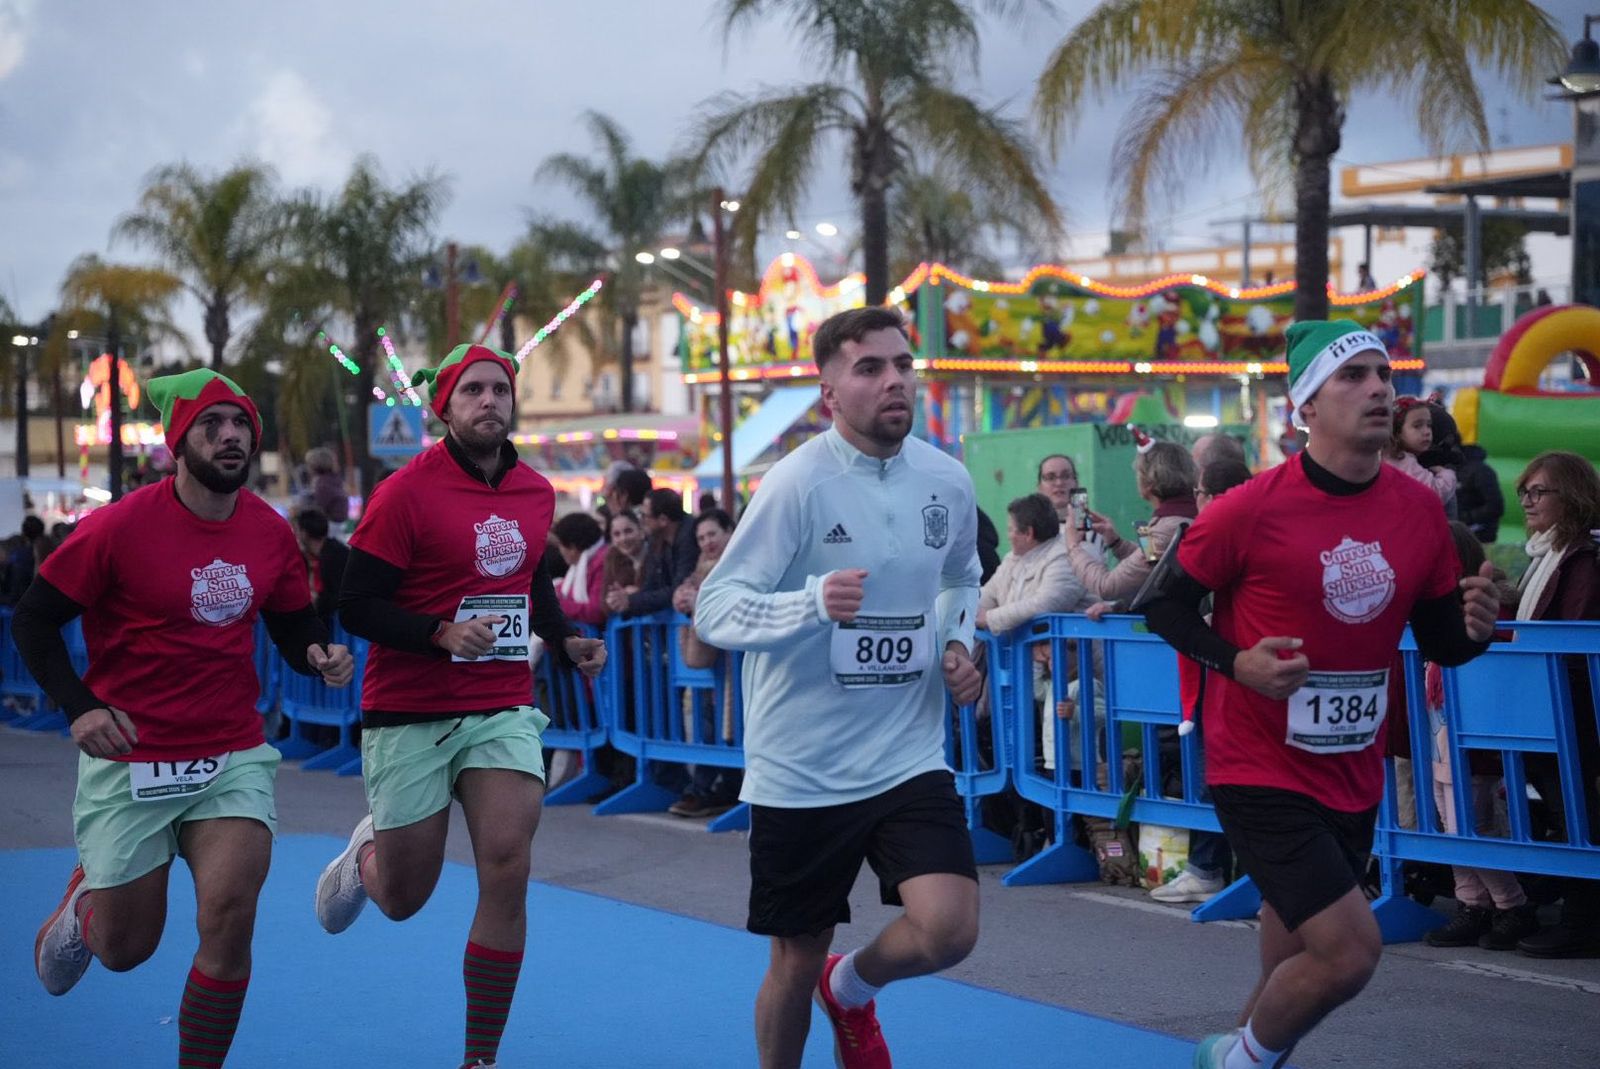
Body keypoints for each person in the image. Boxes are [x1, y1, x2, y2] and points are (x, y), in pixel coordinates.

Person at [1139, 320, 1498, 1069]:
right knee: (1348, 951)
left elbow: (1441, 642)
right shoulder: (1248, 507)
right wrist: (1238, 663)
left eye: (1383, 373)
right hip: (1256, 763)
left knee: (1294, 959)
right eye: (1353, 376)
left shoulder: (1418, 510)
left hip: (1351, 766)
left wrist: (1477, 629)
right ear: (1305, 406)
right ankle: (1232, 1061)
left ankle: (1241, 1055)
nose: (1378, 388)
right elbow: (1163, 605)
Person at [20, 368, 354, 1067]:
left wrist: (316, 653)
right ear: (179, 441)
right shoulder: (117, 527)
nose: (231, 436)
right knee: (126, 947)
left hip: (230, 755)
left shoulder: (268, 531)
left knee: (231, 917)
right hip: (131, 754)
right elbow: (34, 619)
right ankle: (85, 907)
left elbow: (292, 622)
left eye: (241, 425)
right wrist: (80, 707)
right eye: (212, 425)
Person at [695, 306, 984, 1069]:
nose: (895, 381)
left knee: (950, 928)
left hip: (906, 754)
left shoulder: (946, 479)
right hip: (803, 768)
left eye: (903, 365)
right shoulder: (796, 484)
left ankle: (849, 986)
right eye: (870, 368)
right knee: (794, 958)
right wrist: (811, 602)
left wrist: (958, 641)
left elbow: (962, 576)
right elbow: (717, 609)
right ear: (829, 393)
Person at [314, 343, 606, 1069]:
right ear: (444, 407)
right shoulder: (404, 493)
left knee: (507, 863)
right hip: (409, 707)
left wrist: (565, 639)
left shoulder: (536, 492)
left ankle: (480, 1058)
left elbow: (530, 585)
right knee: (405, 897)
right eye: (473, 390)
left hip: (500, 703)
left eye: (500, 389)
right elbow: (356, 604)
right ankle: (367, 856)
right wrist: (439, 633)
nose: (489, 401)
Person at [1421, 521, 1539, 951]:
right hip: (1440, 740)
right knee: (1451, 824)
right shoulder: (1437, 614)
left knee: (1471, 826)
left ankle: (1512, 905)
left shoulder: (1486, 612)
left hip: (1473, 745)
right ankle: (1472, 904)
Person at [1146, 456, 1253, 906]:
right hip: (1233, 671)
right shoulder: (1244, 529)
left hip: (1234, 677)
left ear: (1208, 496)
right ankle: (1214, 866)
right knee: (1220, 773)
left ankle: (1219, 869)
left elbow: (1158, 599)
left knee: (1224, 774)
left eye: (1201, 494)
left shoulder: (1216, 534)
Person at [1508, 451, 1600, 958]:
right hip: (1544, 706)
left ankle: (1582, 920)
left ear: (1573, 496)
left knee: (1578, 812)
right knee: (1566, 810)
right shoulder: (1546, 553)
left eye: (1539, 491)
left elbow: (1573, 635)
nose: (1528, 501)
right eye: (1524, 491)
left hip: (1572, 707)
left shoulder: (1581, 559)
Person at [667, 508, 742, 817]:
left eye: (712, 534)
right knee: (709, 723)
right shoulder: (698, 569)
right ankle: (712, 788)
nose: (707, 542)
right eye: (701, 538)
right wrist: (682, 598)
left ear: (729, 531)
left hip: (736, 663)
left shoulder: (740, 562)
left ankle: (718, 788)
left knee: (728, 725)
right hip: (713, 664)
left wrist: (699, 601)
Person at [1066, 440, 1198, 605]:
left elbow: (1106, 587)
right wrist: (1116, 543)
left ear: (1149, 483)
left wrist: (1073, 546)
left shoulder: (1165, 530)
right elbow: (1153, 562)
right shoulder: (1174, 519)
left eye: (1138, 473)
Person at [1385, 396, 1456, 508]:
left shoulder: (1386, 456)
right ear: (1397, 432)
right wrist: (1446, 474)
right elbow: (1434, 494)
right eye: (1417, 426)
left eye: (1429, 425)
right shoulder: (1402, 461)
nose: (1427, 432)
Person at [294, 507, 350, 627]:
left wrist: (318, 602)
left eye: (297, 530)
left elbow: (339, 595)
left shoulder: (338, 555)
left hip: (335, 623)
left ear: (304, 533)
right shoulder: (305, 556)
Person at [552, 512, 608, 629]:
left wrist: (556, 604)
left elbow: (596, 611)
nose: (559, 551)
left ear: (572, 548)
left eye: (560, 545)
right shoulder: (583, 564)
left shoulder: (602, 563)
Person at [1456, 441, 1505, 543]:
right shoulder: (1449, 468)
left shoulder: (1480, 471)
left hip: (1476, 535)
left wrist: (1466, 517)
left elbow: (1495, 505)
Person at [304, 446, 348, 524]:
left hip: (331, 523)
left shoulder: (323, 484)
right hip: (340, 523)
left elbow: (318, 508)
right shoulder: (333, 479)